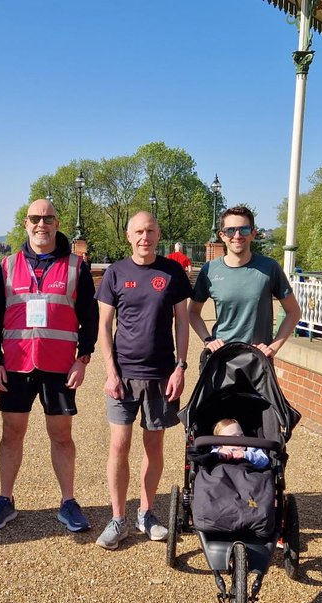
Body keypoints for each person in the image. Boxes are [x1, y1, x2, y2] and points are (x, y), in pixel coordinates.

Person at [0, 199, 98, 532]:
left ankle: (68, 502)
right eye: (35, 218)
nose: (41, 224)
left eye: (47, 218)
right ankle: (5, 500)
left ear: (57, 222)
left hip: (59, 365)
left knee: (62, 436)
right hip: (17, 365)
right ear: (25, 223)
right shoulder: (8, 265)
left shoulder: (76, 266)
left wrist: (84, 356)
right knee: (11, 434)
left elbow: (90, 317)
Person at [94, 211, 192, 550]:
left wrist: (181, 367)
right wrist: (110, 372)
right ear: (128, 235)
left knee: (154, 446)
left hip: (161, 375)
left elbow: (182, 321)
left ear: (158, 233)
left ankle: (147, 512)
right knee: (119, 445)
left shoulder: (173, 272)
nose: (144, 237)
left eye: (150, 230)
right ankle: (118, 517)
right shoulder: (116, 273)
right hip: (122, 374)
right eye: (138, 231)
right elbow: (104, 326)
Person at [189, 206, 302, 366]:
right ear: (222, 235)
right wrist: (208, 340)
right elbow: (193, 312)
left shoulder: (269, 268)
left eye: (244, 229)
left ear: (253, 233)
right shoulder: (210, 270)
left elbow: (293, 312)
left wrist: (274, 347)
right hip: (221, 360)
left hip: (257, 362)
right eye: (230, 230)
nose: (237, 235)